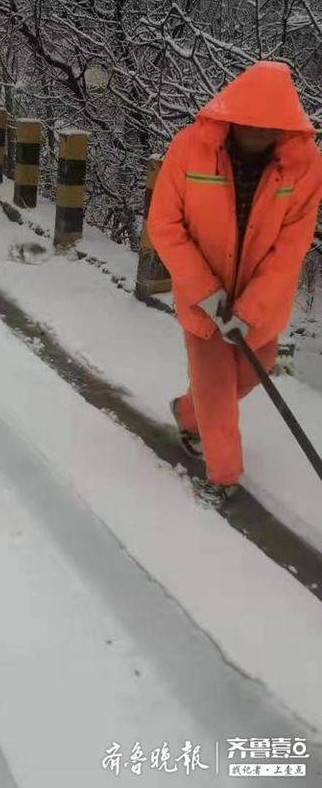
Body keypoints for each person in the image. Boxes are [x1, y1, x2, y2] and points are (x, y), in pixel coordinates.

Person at [148, 61, 322, 503]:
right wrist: (207, 294)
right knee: (218, 391)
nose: (259, 136)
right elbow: (165, 224)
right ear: (233, 116)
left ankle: (188, 415)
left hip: (261, 307)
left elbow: (291, 246)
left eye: (271, 129)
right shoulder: (190, 149)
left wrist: (248, 310)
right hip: (203, 303)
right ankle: (223, 477)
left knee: (249, 374)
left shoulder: (303, 166)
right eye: (251, 126)